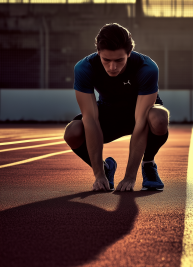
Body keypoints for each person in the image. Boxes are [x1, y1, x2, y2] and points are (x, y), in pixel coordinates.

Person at [64, 23, 169, 192]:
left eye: (119, 60)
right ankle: (106, 169)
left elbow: (141, 121)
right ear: (98, 53)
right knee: (72, 132)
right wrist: (98, 174)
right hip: (109, 112)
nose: (112, 67)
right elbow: (90, 119)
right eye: (106, 60)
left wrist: (129, 176)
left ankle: (148, 164)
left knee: (159, 118)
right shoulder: (84, 68)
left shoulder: (147, 68)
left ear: (129, 53)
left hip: (140, 114)